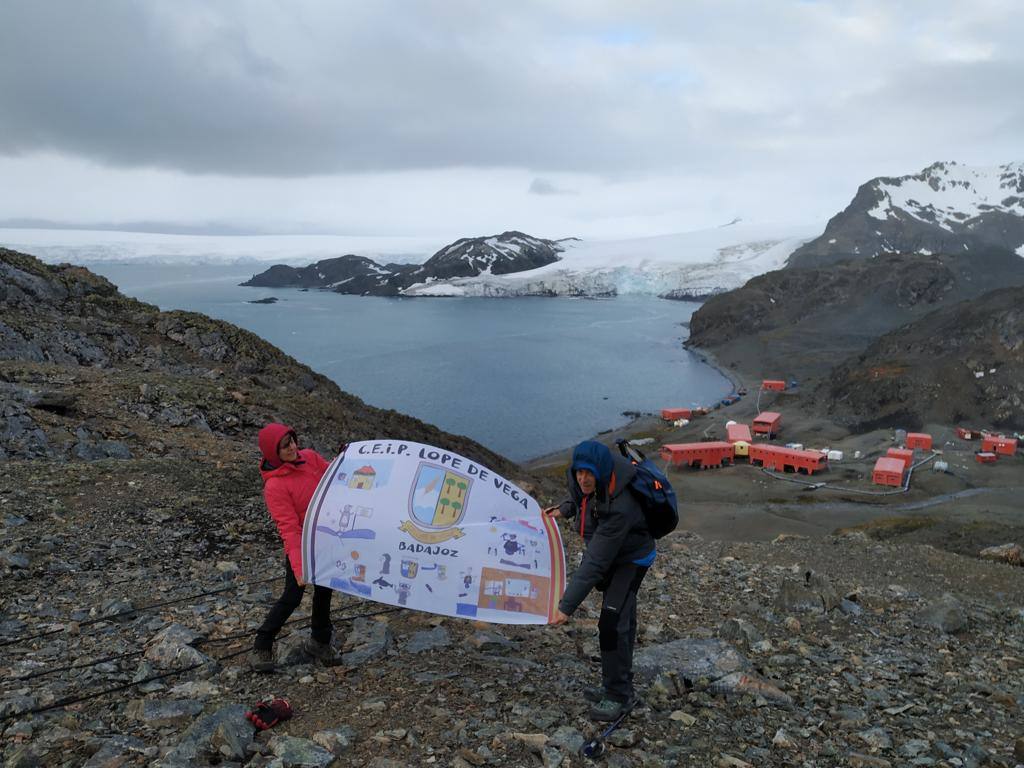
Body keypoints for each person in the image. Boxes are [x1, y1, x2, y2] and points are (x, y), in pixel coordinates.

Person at [544, 440, 655, 721]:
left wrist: (566, 606)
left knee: (611, 620)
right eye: (580, 471)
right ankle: (618, 685)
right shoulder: (582, 479)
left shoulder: (622, 505)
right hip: (611, 553)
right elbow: (581, 498)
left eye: (589, 473)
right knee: (621, 618)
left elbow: (595, 561)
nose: (583, 478)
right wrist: (565, 509)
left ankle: (620, 695)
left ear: (601, 472)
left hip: (632, 557)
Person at [251, 423, 338, 672]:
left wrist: (346, 459)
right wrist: (299, 566)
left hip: (327, 536)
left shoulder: (309, 458)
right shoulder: (275, 487)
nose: (293, 448)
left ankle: (320, 642)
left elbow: (333, 476)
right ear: (272, 452)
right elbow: (289, 529)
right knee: (293, 595)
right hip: (303, 543)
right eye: (285, 446)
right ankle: (262, 644)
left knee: (325, 588)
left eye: (292, 441)